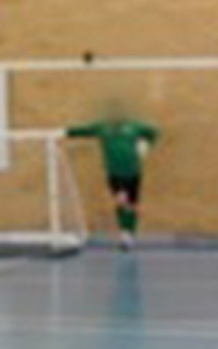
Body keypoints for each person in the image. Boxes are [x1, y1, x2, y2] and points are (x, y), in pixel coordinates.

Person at [66, 103, 159, 251]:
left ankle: (128, 234)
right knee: (122, 201)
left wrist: (144, 146)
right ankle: (125, 234)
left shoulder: (134, 127)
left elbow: (154, 132)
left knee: (132, 205)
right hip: (114, 173)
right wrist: (64, 132)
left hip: (133, 172)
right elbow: (83, 130)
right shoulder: (103, 128)